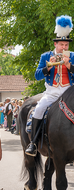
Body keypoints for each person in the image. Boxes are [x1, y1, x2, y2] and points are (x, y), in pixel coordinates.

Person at [25, 15, 74, 157]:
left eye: (66, 45)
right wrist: (49, 67)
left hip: (69, 91)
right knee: (39, 109)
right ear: (55, 45)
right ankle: (33, 143)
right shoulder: (45, 56)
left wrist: (69, 65)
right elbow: (37, 75)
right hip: (52, 91)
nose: (64, 47)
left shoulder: (72, 56)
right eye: (61, 45)